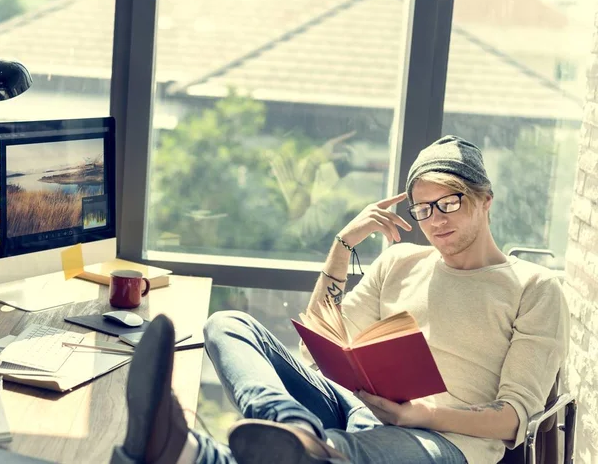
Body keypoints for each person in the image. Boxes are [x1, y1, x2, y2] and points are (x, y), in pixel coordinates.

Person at [111, 135, 570, 464]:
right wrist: (342, 246)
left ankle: (194, 451)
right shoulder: (400, 261)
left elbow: (513, 420)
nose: (435, 221)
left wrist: (420, 414)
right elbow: (318, 344)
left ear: (485, 199)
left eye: (450, 203)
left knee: (338, 454)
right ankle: (293, 425)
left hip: (444, 443)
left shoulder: (534, 287)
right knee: (228, 325)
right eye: (423, 209)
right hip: (357, 404)